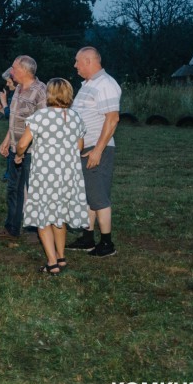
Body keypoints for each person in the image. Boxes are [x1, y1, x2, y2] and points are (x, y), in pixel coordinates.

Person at [14, 78, 89, 275]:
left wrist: (19, 156)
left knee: (43, 217)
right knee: (59, 215)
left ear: (49, 94)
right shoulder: (75, 118)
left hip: (46, 174)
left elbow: (22, 144)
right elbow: (79, 147)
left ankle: (52, 263)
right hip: (68, 175)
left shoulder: (41, 117)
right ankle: (61, 256)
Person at [66, 47, 122, 257]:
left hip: (97, 147)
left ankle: (107, 244)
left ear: (89, 61)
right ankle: (87, 238)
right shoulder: (88, 84)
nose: (75, 65)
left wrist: (97, 150)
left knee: (99, 196)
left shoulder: (106, 84)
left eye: (77, 61)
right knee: (88, 195)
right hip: (85, 147)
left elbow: (112, 118)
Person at [0, 56, 46, 239]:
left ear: (24, 70)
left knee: (34, 190)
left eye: (14, 68)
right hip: (15, 148)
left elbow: (44, 123)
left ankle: (37, 230)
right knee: (13, 188)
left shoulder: (40, 91)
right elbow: (15, 118)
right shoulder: (17, 90)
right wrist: (7, 140)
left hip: (33, 151)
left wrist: (25, 145)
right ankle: (12, 228)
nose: (11, 72)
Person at [0, 68, 16, 180]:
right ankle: (9, 175)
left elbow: (14, 116)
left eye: (9, 82)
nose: (7, 84)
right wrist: (1, 109)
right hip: (13, 131)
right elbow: (10, 115)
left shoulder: (18, 95)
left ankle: (11, 176)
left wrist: (4, 102)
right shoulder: (13, 94)